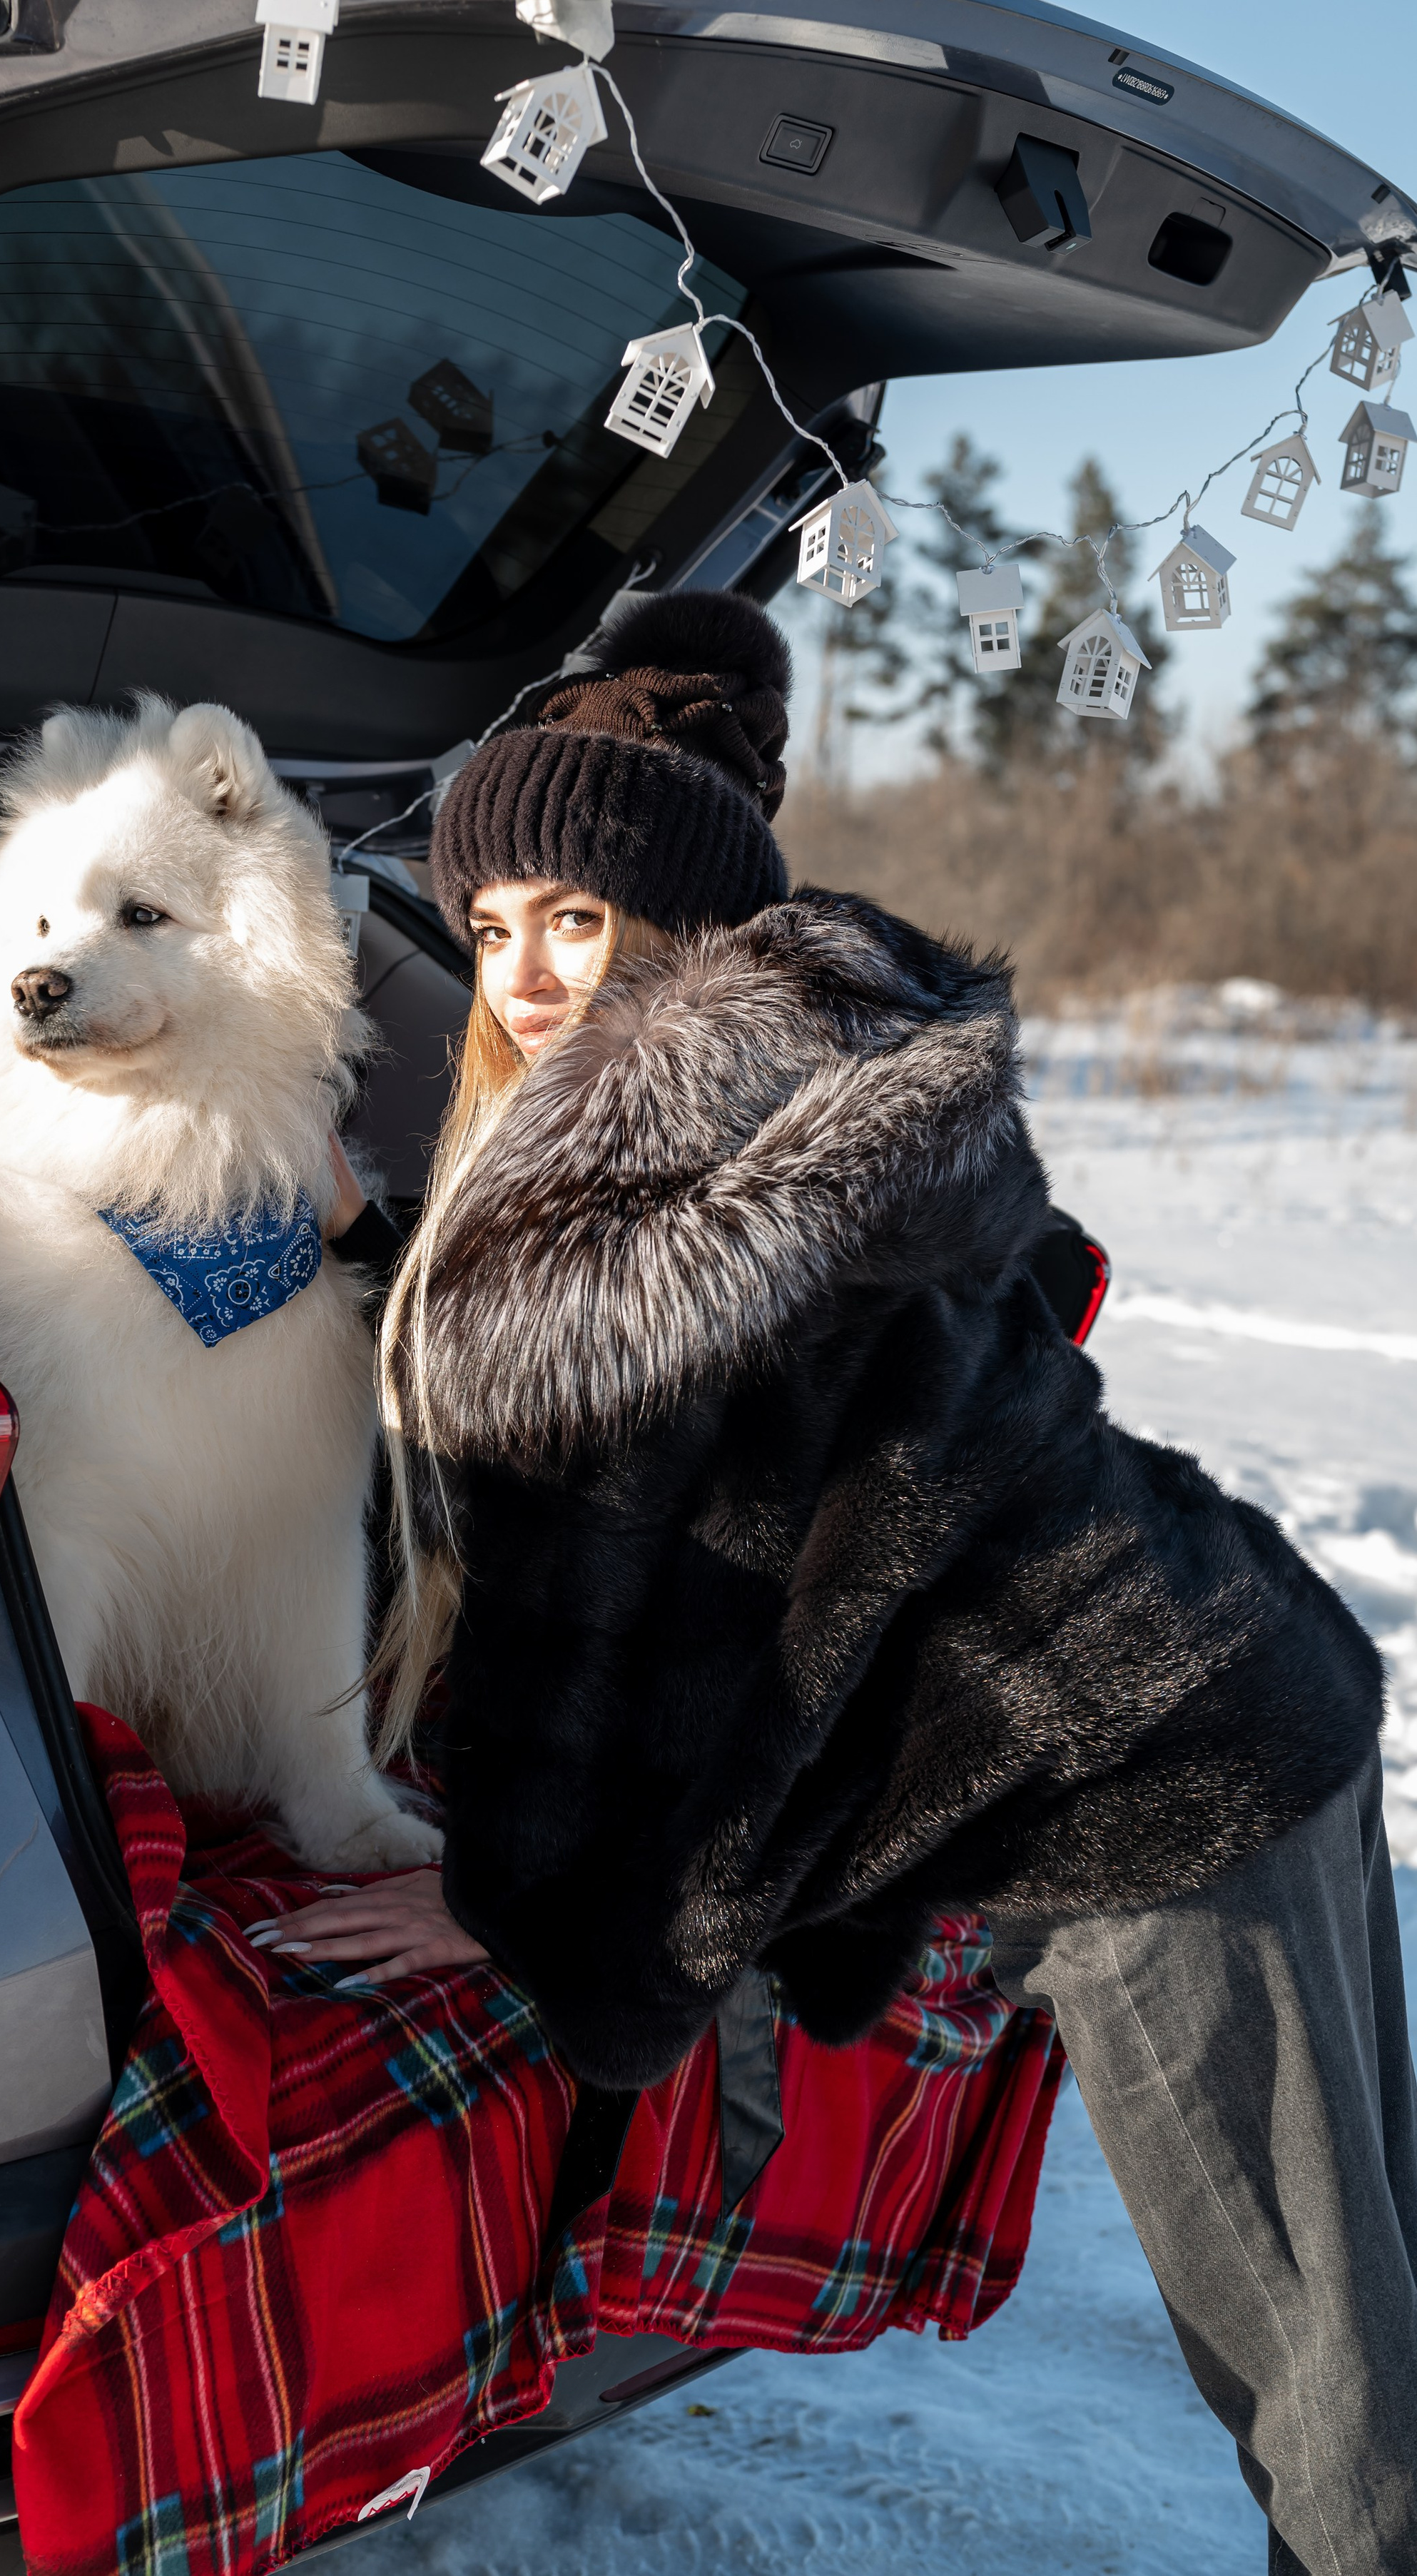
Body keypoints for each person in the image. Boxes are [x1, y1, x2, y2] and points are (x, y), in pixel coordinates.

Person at [288, 589, 1415, 2574]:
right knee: (1370, 2344)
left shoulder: (661, 1240)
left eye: (578, 916)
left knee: (1330, 2411)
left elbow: (745, 1643)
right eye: (490, 924)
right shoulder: (830, 1102)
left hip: (1144, 1787)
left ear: (678, 925)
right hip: (1219, 1659)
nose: (528, 972)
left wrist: (539, 1914)